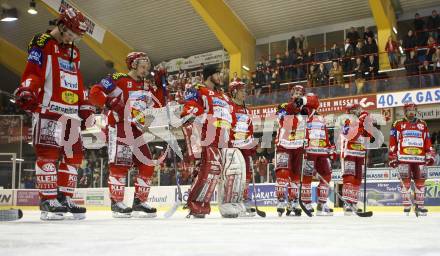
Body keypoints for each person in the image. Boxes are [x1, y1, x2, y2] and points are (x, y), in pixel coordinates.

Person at [14, 8, 94, 220]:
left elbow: (76, 78)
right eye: (71, 33)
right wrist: (28, 87)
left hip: (71, 115)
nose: (73, 39)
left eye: (77, 36)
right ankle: (48, 200)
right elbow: (33, 70)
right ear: (61, 25)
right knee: (48, 154)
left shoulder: (73, 51)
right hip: (49, 109)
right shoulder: (42, 42)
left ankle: (65, 197)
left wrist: (83, 103)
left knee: (73, 157)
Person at [89, 52, 158, 218]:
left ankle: (139, 202)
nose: (145, 71)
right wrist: (107, 101)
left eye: (147, 68)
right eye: (142, 67)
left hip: (136, 130)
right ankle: (116, 202)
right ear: (133, 65)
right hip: (119, 126)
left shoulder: (145, 86)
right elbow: (95, 91)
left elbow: (152, 106)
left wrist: (161, 88)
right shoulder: (118, 78)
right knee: (120, 165)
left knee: (147, 164)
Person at [180, 65, 239, 218]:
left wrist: (233, 134)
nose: (220, 76)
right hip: (207, 136)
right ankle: (196, 204)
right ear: (208, 75)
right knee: (210, 170)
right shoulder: (198, 89)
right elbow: (190, 108)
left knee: (222, 172)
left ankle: (215, 205)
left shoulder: (224, 96)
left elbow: (231, 117)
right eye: (217, 74)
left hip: (224, 139)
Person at [389, 102, 435, 216]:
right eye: (409, 110)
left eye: (413, 109)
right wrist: (392, 156)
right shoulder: (397, 123)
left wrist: (430, 154)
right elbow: (392, 141)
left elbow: (427, 141)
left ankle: (420, 205)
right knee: (405, 182)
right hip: (404, 159)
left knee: (420, 182)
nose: (411, 112)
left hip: (420, 159)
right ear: (405, 111)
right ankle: (407, 207)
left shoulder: (423, 124)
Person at [298, 93, 335, 216]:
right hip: (309, 151)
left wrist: (329, 147)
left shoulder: (320, 117)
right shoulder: (304, 112)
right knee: (307, 176)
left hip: (322, 151)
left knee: (327, 175)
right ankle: (306, 202)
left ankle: (322, 203)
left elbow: (324, 134)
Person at [274, 85, 307, 217]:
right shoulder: (283, 106)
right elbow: (283, 121)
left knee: (295, 176)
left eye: (301, 92)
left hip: (298, 146)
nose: (298, 93)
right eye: (296, 91)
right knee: (283, 173)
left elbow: (315, 102)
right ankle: (281, 200)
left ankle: (293, 201)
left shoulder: (306, 109)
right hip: (284, 144)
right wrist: (295, 109)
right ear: (291, 94)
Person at [228, 79, 257, 217]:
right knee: (235, 174)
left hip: (244, 147)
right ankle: (234, 201)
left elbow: (249, 129)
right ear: (234, 92)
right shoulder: (229, 107)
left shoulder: (246, 110)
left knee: (246, 175)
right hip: (232, 148)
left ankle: (244, 200)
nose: (244, 93)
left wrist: (251, 144)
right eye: (241, 90)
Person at [340, 103, 371, 215]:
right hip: (349, 152)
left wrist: (368, 127)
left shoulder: (360, 121)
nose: (359, 111)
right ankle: (347, 203)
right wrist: (361, 123)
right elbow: (351, 136)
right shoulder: (346, 120)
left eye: (359, 109)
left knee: (358, 178)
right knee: (350, 178)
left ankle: (353, 202)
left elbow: (369, 138)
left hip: (360, 153)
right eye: (356, 110)